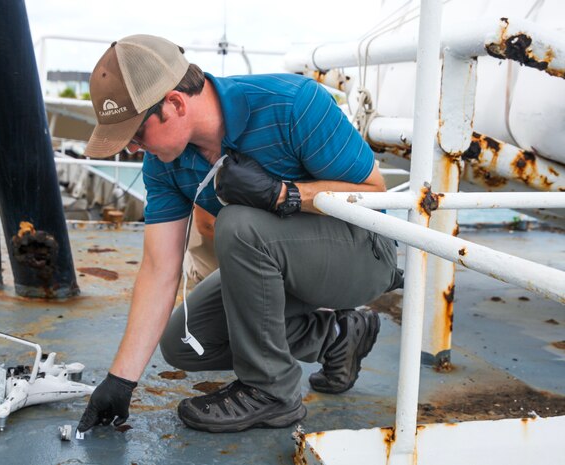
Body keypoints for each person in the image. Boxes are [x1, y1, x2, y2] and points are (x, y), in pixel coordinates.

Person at [77, 34, 402, 434]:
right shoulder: (165, 163)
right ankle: (335, 337)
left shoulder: (292, 103)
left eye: (136, 135)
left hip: (363, 256)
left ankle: (272, 393)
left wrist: (283, 194)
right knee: (183, 341)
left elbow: (375, 196)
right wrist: (120, 380)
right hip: (281, 267)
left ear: (175, 103)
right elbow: (160, 268)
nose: (131, 149)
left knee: (238, 224)